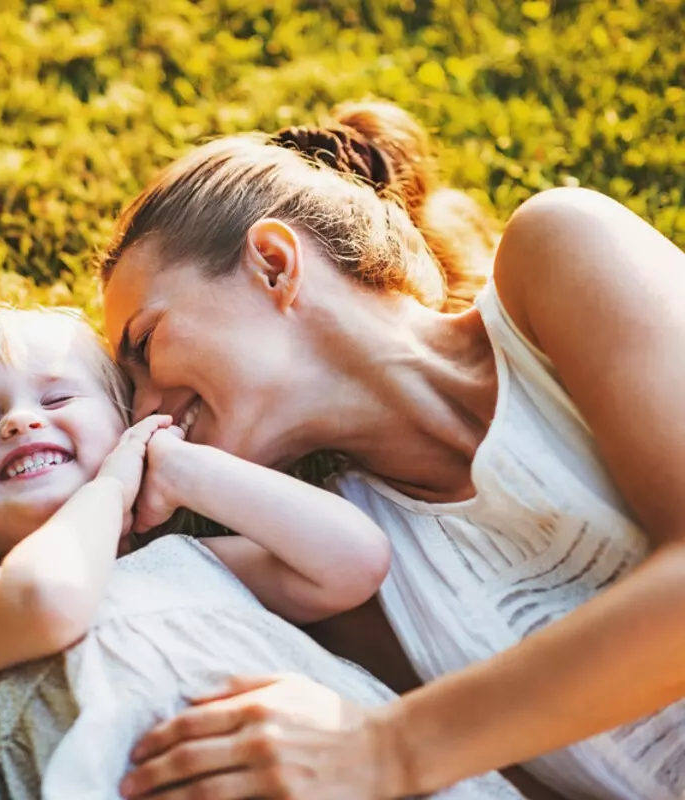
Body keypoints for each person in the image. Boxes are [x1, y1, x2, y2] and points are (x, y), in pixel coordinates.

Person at [99, 99, 685, 800]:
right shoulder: (349, 583)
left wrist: (391, 747)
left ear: (274, 264)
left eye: (145, 344)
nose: (143, 410)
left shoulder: (562, 251)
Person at [0, 307, 520, 799]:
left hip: (334, 767)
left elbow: (355, 560)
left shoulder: (194, 561)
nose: (21, 423)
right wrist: (111, 487)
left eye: (56, 400)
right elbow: (52, 600)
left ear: (123, 429)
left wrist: (185, 470)